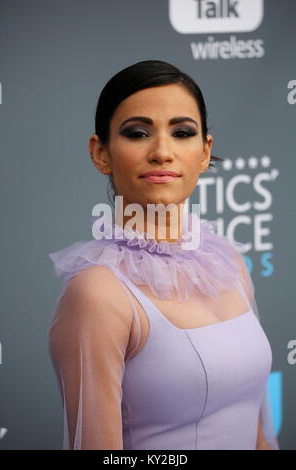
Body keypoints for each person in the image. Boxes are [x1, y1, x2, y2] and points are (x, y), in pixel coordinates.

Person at [47, 60, 280, 450]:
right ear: (100, 153)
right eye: (137, 133)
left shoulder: (229, 262)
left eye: (182, 132)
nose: (162, 152)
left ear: (205, 151)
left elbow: (256, 432)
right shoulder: (98, 293)